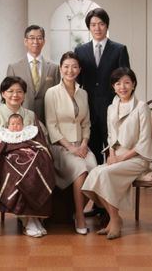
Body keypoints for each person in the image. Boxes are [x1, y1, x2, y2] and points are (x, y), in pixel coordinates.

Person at [0, 76, 55, 238]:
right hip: (3, 161)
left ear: (24, 95)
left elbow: (42, 139)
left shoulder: (30, 115)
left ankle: (32, 217)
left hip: (30, 158)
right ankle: (29, 220)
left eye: (19, 91)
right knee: (18, 172)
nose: (15, 95)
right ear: (3, 93)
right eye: (10, 91)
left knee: (39, 165)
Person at [82, 67, 152, 240]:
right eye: (118, 83)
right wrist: (112, 154)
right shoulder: (111, 107)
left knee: (105, 174)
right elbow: (110, 136)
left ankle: (114, 220)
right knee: (94, 174)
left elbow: (144, 141)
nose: (123, 87)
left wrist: (121, 157)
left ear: (134, 84)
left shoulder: (141, 107)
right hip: (117, 156)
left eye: (127, 82)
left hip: (137, 157)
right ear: (113, 87)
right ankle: (116, 218)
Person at [75, 7, 130, 217]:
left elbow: (125, 79)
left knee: (111, 154)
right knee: (94, 154)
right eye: (93, 25)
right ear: (89, 28)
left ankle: (110, 208)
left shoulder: (119, 49)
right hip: (88, 110)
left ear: (107, 26)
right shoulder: (81, 51)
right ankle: (98, 204)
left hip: (112, 108)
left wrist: (123, 108)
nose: (97, 28)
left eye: (101, 24)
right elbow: (77, 81)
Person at [44, 51, 97, 235]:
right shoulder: (52, 93)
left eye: (74, 66)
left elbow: (86, 123)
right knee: (80, 168)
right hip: (61, 146)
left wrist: (83, 144)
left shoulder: (83, 93)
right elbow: (51, 125)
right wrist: (71, 147)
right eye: (66, 66)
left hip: (81, 144)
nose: (70, 70)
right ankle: (80, 217)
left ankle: (79, 210)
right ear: (60, 69)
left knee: (93, 166)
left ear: (79, 69)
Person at [7, 25, 60, 124]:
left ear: (44, 41)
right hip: (21, 121)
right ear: (25, 41)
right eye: (32, 38)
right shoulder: (14, 68)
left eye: (39, 38)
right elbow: (8, 97)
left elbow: (57, 97)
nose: (35, 41)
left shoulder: (54, 68)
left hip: (48, 121)